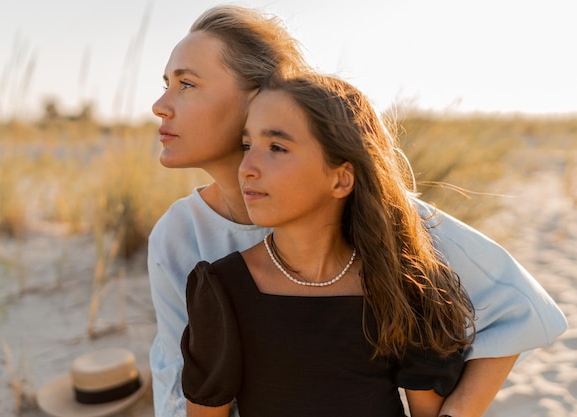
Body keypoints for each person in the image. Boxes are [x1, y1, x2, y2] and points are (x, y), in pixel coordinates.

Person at [148, 4, 567, 417]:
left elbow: (523, 311)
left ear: (262, 96)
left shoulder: (382, 215)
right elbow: (177, 387)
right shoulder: (178, 236)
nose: (160, 105)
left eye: (186, 84)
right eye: (166, 83)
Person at [182, 73, 476, 417]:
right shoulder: (223, 289)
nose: (247, 167)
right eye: (248, 146)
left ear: (341, 178)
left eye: (277, 147)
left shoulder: (401, 282)